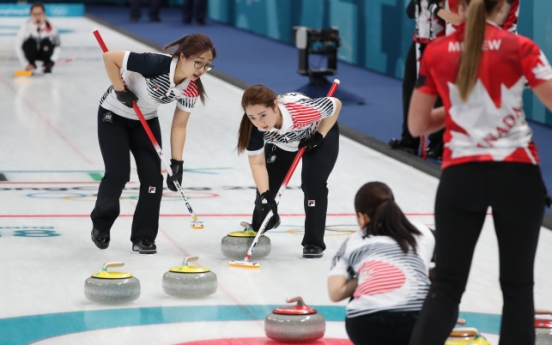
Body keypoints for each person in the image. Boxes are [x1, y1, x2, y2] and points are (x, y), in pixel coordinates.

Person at [407, 0, 552, 343]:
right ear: (502, 7)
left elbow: (417, 125)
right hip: (517, 174)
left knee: (446, 285)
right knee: (518, 287)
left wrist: (459, 111)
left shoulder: (438, 51)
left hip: (462, 177)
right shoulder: (522, 47)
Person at [90, 34, 216, 254]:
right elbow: (110, 57)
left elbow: (179, 126)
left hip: (145, 120)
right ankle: (101, 225)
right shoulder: (155, 63)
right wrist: (120, 91)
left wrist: (177, 163)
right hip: (113, 115)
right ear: (183, 57)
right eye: (198, 62)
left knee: (152, 178)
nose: (202, 69)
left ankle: (144, 236)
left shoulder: (191, 88)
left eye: (207, 65)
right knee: (118, 174)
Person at [236, 86, 342, 258]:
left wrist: (320, 135)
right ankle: (261, 224)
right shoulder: (253, 128)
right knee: (266, 190)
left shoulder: (301, 112)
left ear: (275, 105)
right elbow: (257, 163)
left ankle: (313, 242)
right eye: (252, 117)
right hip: (283, 144)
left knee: (313, 185)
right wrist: (265, 196)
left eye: (263, 115)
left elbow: (336, 104)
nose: (260, 122)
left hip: (317, 135)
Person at [328, 182, 435, 345]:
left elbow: (335, 293)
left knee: (358, 297)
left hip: (367, 327)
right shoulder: (422, 231)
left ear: (361, 217)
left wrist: (366, 276)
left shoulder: (353, 241)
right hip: (419, 324)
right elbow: (454, 264)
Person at [388, 0, 445, 160]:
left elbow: (454, 18)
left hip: (441, 42)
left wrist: (435, 7)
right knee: (409, 88)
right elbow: (410, 12)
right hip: (419, 42)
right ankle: (409, 140)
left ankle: (438, 144)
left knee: (440, 94)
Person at [15, 2, 60, 74]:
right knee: (28, 42)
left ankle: (46, 63)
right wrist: (26, 64)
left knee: (48, 42)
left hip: (45, 52)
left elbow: (57, 45)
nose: (37, 17)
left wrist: (52, 61)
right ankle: (31, 64)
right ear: (31, 15)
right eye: (34, 14)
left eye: (40, 14)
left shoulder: (51, 27)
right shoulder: (26, 27)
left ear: (44, 14)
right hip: (32, 54)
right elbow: (18, 46)